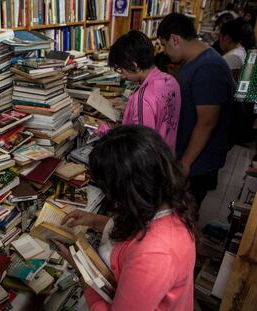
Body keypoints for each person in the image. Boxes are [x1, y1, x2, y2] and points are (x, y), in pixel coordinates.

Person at [53, 125, 197, 310]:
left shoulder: (154, 254)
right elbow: (136, 232)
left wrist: (82, 271)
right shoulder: (166, 199)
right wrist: (93, 220)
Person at [158, 13, 233, 209]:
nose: (165, 52)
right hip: (190, 158)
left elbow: (207, 123)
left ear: (175, 39)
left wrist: (185, 164)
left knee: (184, 216)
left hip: (197, 164)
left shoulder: (208, 67)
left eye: (164, 44)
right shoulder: (196, 62)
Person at [108, 30, 181, 151]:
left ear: (134, 65)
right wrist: (129, 108)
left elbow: (140, 147)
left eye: (121, 69)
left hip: (147, 166)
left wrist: (109, 134)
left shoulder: (142, 98)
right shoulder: (171, 81)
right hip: (167, 156)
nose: (122, 75)